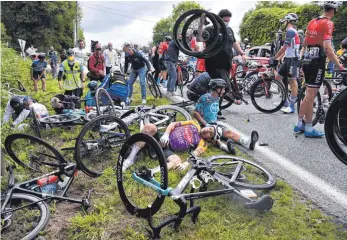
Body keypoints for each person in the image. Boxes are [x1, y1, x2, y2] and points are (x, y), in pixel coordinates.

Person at [294, 1, 345, 138]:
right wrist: (338, 64)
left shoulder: (312, 21)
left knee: (308, 94)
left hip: (307, 59)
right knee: (311, 95)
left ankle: (300, 123)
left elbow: (304, 43)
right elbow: (327, 48)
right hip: (317, 60)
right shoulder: (328, 23)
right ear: (334, 10)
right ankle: (309, 127)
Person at [193, 79, 259, 153]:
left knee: (229, 132)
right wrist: (206, 124)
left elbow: (226, 97)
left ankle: (247, 142)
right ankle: (226, 148)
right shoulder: (205, 98)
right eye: (223, 89)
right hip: (204, 126)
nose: (224, 91)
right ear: (217, 89)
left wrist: (235, 101)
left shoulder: (218, 97)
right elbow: (195, 113)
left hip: (214, 124)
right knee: (214, 138)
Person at [122, 120, 213, 173]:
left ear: (209, 139)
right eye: (209, 128)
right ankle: (129, 159)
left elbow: (195, 154)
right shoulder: (194, 123)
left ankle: (151, 173)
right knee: (150, 126)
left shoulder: (203, 144)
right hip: (163, 137)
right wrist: (166, 134)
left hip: (168, 149)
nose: (207, 131)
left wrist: (186, 164)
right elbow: (173, 124)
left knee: (177, 160)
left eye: (210, 133)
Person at [204, 9, 246, 120]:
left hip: (226, 65)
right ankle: (214, 110)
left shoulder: (229, 30)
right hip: (214, 63)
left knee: (219, 88)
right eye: (225, 20)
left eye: (228, 20)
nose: (227, 22)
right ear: (219, 19)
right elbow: (200, 38)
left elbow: (234, 43)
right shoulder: (211, 29)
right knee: (224, 86)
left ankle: (215, 110)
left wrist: (242, 53)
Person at [271, 13, 301, 114]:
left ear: (288, 21)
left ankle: (292, 106)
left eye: (285, 21)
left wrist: (275, 58)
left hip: (293, 59)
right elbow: (286, 49)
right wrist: (278, 58)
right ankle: (285, 101)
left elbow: (283, 48)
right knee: (278, 78)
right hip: (288, 58)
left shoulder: (291, 31)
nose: (283, 23)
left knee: (292, 82)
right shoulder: (289, 31)